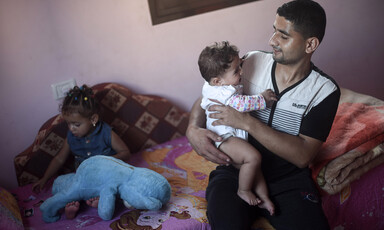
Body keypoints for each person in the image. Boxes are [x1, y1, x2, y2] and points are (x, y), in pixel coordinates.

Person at [187, 0, 340, 229]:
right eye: (274, 30)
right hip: (236, 169)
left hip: (288, 179)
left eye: (283, 36)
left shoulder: (324, 91)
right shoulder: (251, 61)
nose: (272, 41)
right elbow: (209, 95)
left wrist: (246, 122)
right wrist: (192, 129)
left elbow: (302, 155)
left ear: (310, 44)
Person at [199, 41, 277, 214]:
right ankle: (243, 190)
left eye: (240, 65)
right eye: (236, 70)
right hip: (225, 138)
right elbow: (241, 104)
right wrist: (263, 98)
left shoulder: (213, 85)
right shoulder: (223, 92)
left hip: (230, 135)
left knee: (254, 169)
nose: (242, 71)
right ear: (217, 81)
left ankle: (265, 200)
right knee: (253, 158)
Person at [32, 85, 131, 220]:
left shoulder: (106, 133)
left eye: (76, 125)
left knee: (119, 185)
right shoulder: (71, 136)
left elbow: (125, 152)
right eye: (68, 123)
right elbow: (60, 158)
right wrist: (45, 178)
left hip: (105, 176)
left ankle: (105, 200)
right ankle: (74, 205)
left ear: (93, 119)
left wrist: (105, 161)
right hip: (83, 180)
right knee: (68, 187)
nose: (71, 128)